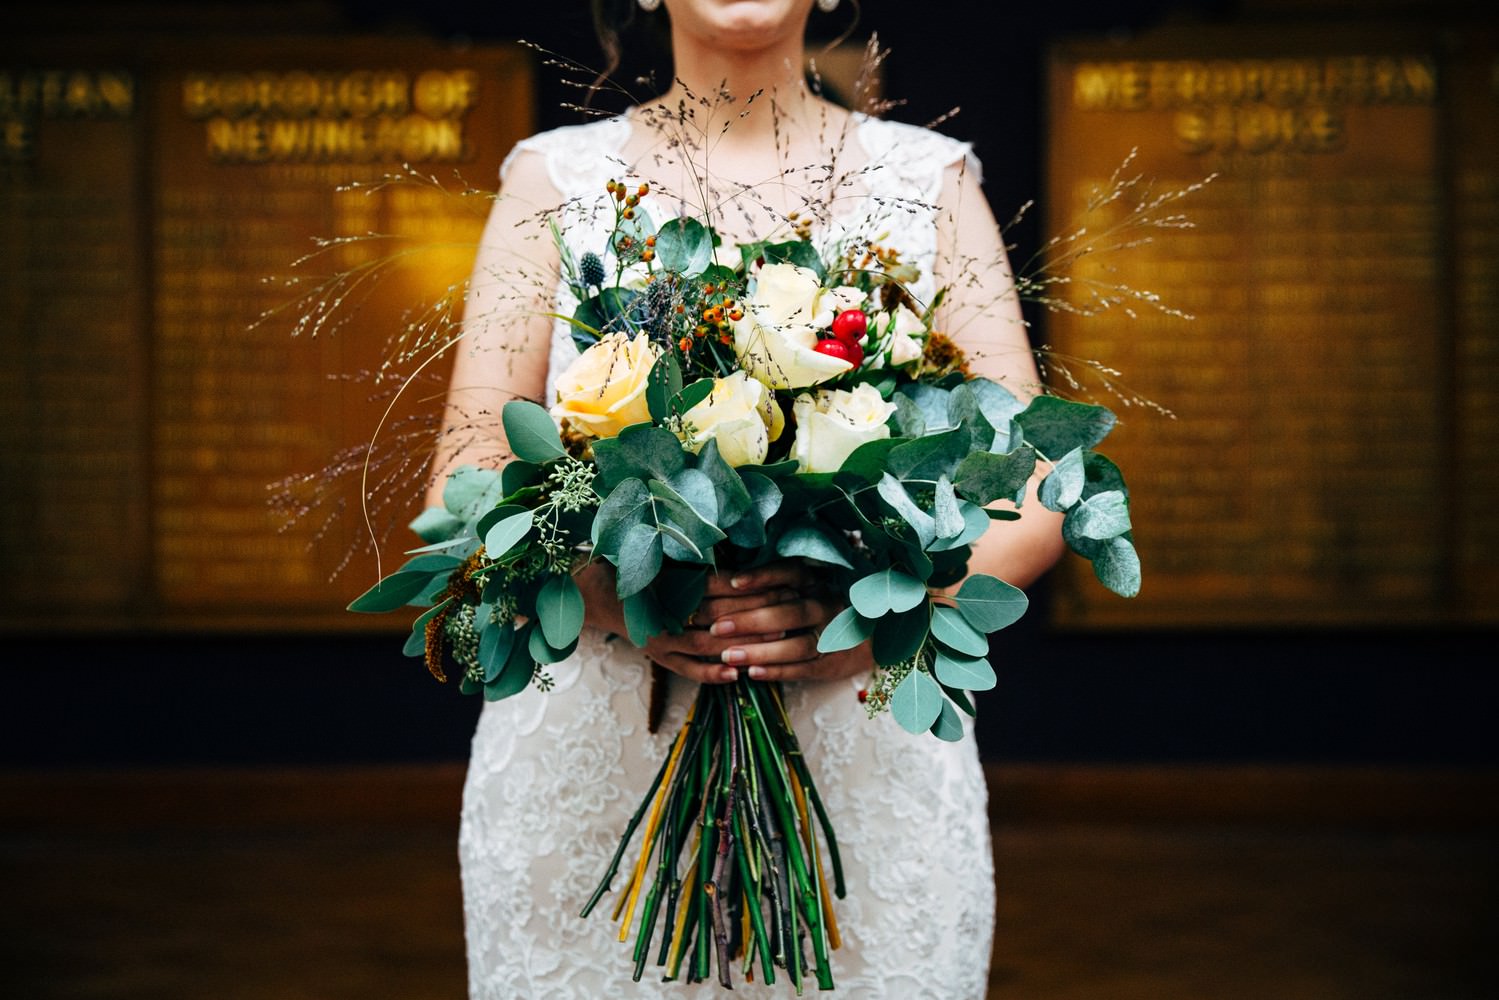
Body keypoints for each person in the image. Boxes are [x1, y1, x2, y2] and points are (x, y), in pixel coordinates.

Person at [426, 1, 1065, 995]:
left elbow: (1034, 483)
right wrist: (611, 591)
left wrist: (876, 617)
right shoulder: (552, 183)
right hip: (600, 755)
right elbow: (466, 475)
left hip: (854, 746)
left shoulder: (925, 184)